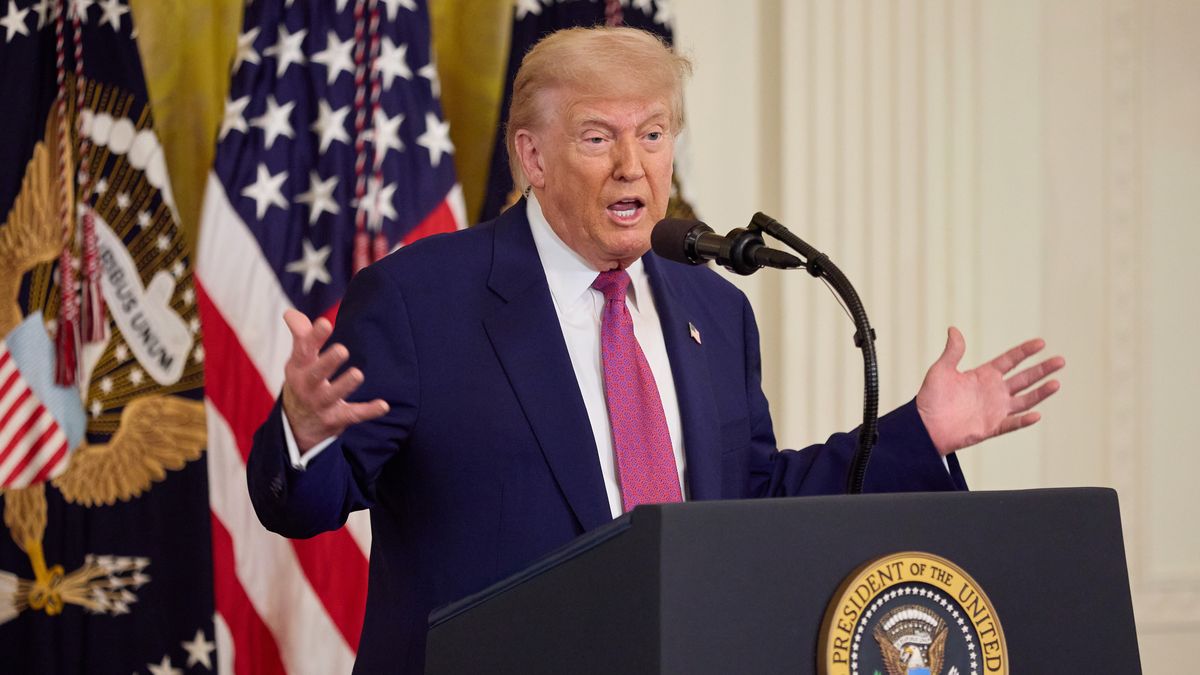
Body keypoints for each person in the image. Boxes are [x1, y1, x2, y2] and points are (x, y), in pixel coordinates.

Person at [247, 26, 1063, 674]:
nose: (633, 164)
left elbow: (749, 502)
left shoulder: (716, 310)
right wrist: (305, 432)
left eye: (654, 132)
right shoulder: (422, 298)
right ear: (532, 155)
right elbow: (303, 504)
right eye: (598, 137)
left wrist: (921, 429)